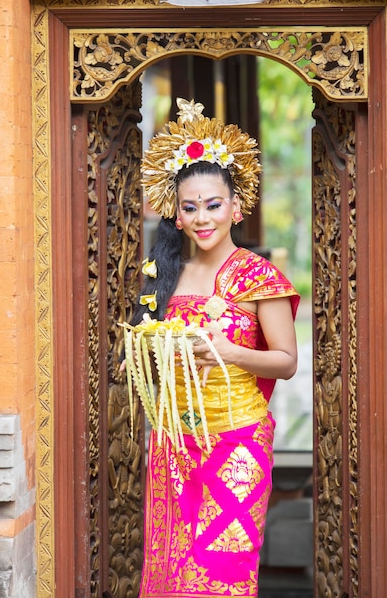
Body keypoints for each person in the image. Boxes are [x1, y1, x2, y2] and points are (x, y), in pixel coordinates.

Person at [129, 98, 299, 598]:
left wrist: (231, 352)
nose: (202, 217)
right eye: (190, 207)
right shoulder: (164, 275)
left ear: (237, 207)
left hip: (236, 441)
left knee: (221, 570)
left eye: (213, 204)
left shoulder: (256, 274)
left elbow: (286, 363)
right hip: (172, 441)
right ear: (176, 214)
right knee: (169, 571)